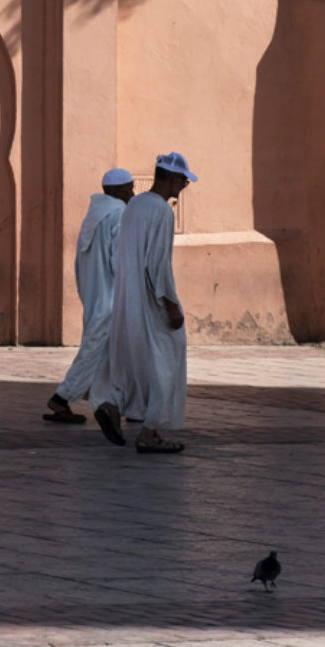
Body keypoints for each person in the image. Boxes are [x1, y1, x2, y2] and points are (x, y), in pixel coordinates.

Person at [91, 152, 196, 454]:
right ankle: (150, 431)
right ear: (170, 178)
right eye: (182, 179)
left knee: (136, 361)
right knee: (166, 362)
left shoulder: (135, 205)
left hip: (129, 298)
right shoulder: (162, 212)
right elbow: (157, 264)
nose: (185, 184)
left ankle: (114, 403)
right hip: (152, 301)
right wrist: (170, 303)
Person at [44, 168, 136, 423]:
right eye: (129, 188)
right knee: (94, 352)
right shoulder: (117, 214)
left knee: (111, 354)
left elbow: (78, 263)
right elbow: (119, 262)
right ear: (117, 191)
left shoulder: (93, 216)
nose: (133, 193)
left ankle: (121, 404)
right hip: (111, 300)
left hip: (96, 297)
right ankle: (61, 398)